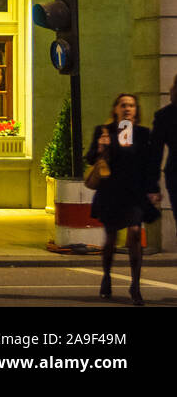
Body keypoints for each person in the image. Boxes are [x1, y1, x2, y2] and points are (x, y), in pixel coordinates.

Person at [85, 93, 160, 305]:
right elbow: (90, 158)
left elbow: (150, 163)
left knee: (135, 234)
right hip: (111, 192)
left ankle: (135, 285)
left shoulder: (144, 134)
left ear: (136, 110)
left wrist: (152, 188)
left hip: (134, 193)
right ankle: (107, 276)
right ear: (116, 109)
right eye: (124, 105)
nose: (128, 109)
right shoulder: (104, 131)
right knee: (111, 238)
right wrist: (101, 148)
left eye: (132, 105)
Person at [149, 76, 177, 232]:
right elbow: (155, 153)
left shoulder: (164, 116)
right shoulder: (164, 116)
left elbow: (155, 153)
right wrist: (152, 185)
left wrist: (153, 185)